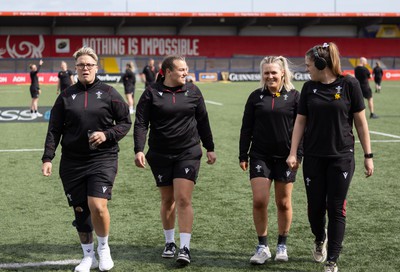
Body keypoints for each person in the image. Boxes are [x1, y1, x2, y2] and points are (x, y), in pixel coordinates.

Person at [41, 47, 132, 272]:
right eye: (81, 65)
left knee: (97, 205)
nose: (85, 68)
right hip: (72, 161)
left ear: (96, 67)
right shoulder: (65, 96)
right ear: (75, 68)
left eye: (89, 64)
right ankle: (87, 256)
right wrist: (48, 157)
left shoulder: (110, 93)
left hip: (103, 157)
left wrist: (107, 134)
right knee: (81, 211)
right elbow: (54, 129)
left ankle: (103, 249)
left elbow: (125, 122)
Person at [286, 42, 374, 272]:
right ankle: (319, 238)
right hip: (314, 157)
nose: (307, 69)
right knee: (315, 209)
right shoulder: (308, 88)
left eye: (308, 65)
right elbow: (300, 122)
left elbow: (361, 123)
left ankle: (332, 259)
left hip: (341, 157)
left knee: (336, 208)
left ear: (321, 63)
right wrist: (294, 152)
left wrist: (368, 155)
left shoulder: (350, 84)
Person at [134, 55, 216, 266]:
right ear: (167, 71)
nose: (185, 73)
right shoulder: (151, 92)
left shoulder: (193, 91)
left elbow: (203, 119)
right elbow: (141, 122)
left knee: (183, 199)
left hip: (187, 152)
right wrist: (139, 149)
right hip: (160, 154)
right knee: (167, 200)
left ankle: (185, 247)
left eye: (186, 69)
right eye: (181, 69)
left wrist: (210, 147)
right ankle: (169, 242)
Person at [239, 56, 301, 265]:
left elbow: (303, 129)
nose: (270, 76)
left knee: (283, 203)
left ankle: (282, 245)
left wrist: (297, 154)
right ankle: (262, 246)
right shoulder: (255, 97)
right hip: (260, 156)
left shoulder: (294, 96)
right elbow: (246, 128)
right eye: (266, 72)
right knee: (259, 200)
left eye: (274, 72)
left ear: (283, 73)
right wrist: (242, 154)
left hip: (286, 158)